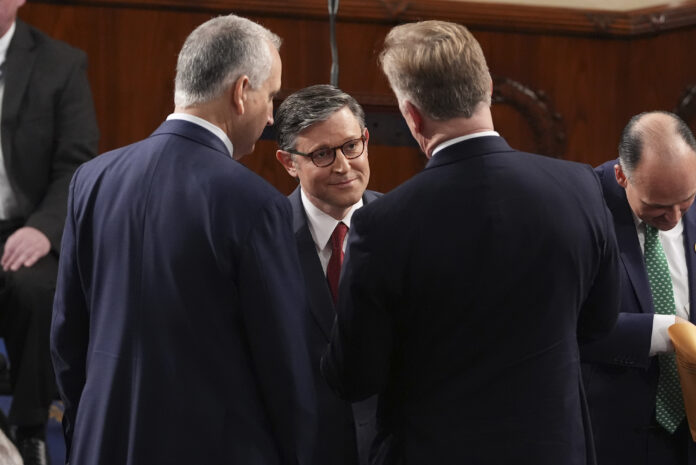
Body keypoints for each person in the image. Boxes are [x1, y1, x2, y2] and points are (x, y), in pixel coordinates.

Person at [321, 20, 621, 465]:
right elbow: (599, 324)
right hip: (555, 449)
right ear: (488, 87)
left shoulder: (383, 225)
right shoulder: (580, 188)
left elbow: (355, 377)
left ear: (412, 115)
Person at [50, 14, 316, 465]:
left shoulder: (91, 180)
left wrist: (86, 436)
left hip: (101, 443)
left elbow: (67, 340)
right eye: (271, 97)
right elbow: (283, 367)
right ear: (240, 92)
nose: (272, 115)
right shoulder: (256, 204)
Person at [0, 1, 99, 464]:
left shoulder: (60, 62)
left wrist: (43, 229)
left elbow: (76, 162)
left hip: (30, 220)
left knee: (36, 286)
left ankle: (29, 424)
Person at [582, 111, 696, 465]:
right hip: (614, 434)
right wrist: (670, 332)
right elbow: (566, 320)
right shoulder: (580, 207)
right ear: (621, 176)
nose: (674, 219)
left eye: (686, 201)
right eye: (658, 208)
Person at [275, 84, 379, 465]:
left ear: (365, 139)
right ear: (289, 162)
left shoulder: (405, 226)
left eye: (351, 146)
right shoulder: (264, 238)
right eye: (322, 154)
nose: (343, 165)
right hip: (298, 448)